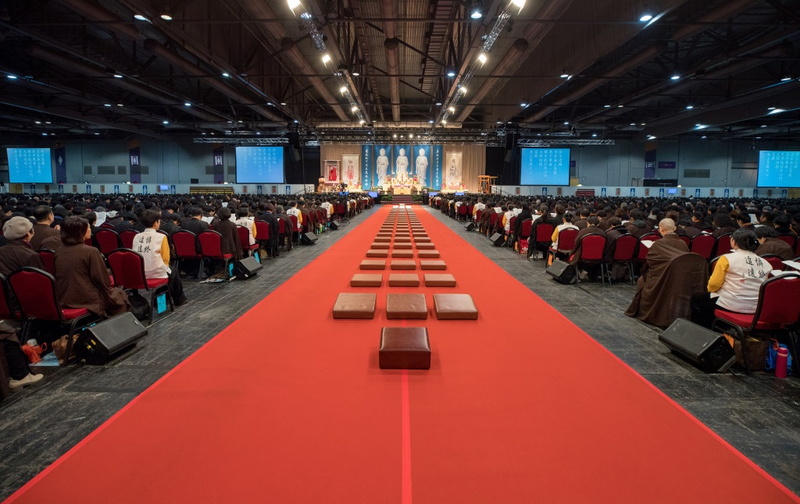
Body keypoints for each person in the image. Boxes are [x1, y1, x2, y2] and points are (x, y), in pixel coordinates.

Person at [625, 218, 706, 327]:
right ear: (675, 228)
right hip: (681, 278)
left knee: (642, 280)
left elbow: (650, 262)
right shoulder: (682, 243)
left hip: (662, 276)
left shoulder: (658, 244)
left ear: (661, 230)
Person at [690, 228, 772, 329]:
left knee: (697, 299)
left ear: (733, 241)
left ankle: (704, 332)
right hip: (756, 307)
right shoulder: (766, 263)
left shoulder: (726, 259)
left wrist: (714, 292)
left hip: (731, 304)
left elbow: (713, 285)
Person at [54, 216, 129, 318]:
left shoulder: (59, 251)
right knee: (120, 295)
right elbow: (102, 280)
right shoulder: (90, 251)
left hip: (64, 298)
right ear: (81, 232)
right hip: (87, 298)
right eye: (88, 228)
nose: (90, 230)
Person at [132, 210, 187, 306]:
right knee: (173, 272)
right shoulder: (161, 237)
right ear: (156, 223)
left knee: (171, 272)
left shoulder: (137, 236)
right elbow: (166, 259)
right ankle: (179, 300)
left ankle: (162, 299)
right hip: (156, 272)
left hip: (139, 273)